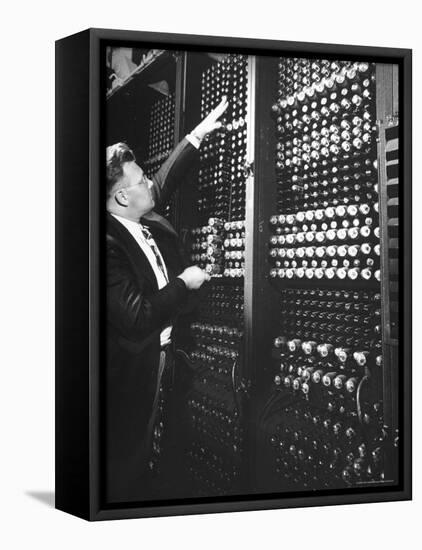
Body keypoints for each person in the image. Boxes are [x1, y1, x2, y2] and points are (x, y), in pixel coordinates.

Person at [105, 97, 228, 503]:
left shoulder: (137, 213)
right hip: (136, 367)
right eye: (139, 181)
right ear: (123, 197)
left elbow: (161, 184)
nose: (148, 185)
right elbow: (138, 317)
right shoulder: (105, 245)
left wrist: (196, 136)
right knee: (128, 455)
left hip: (169, 354)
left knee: (156, 440)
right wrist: (184, 282)